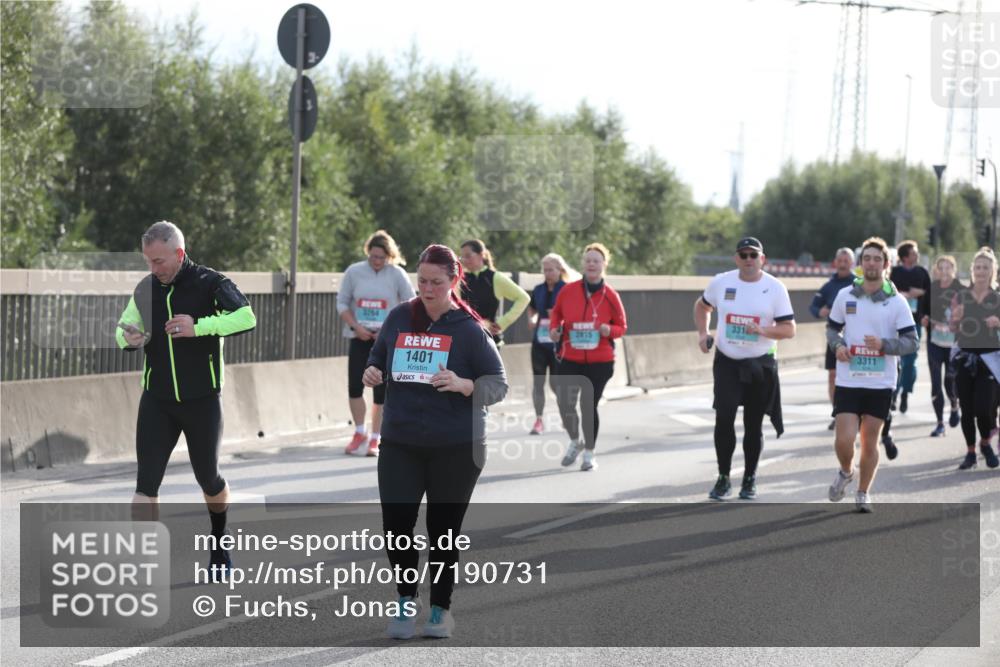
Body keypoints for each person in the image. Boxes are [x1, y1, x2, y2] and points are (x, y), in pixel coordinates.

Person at [363, 244, 508, 639]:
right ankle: (406, 602)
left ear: (454, 281)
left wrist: (464, 385)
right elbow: (377, 357)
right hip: (400, 441)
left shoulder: (469, 329)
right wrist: (373, 372)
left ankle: (440, 609)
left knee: (441, 530)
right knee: (396, 525)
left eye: (436, 282)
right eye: (421, 281)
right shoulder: (398, 318)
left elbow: (498, 384)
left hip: (457, 446)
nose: (427, 289)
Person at [116, 221, 256, 572]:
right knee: (145, 484)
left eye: (159, 261)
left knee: (209, 478)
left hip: (202, 401)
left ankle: (220, 542)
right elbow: (125, 328)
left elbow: (246, 317)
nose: (153, 269)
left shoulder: (211, 283)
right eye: (148, 261)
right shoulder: (145, 289)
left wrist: (201, 326)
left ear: (179, 254)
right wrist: (128, 339)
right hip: (157, 401)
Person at [694, 237, 795, 500]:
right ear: (736, 258)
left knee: (753, 424)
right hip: (727, 360)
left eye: (753, 255)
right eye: (743, 254)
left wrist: (763, 330)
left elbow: (789, 329)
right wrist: (703, 333)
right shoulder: (721, 282)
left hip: (759, 363)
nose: (748, 259)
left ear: (763, 259)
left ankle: (749, 478)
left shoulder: (775, 288)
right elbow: (702, 306)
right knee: (724, 418)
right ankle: (723, 477)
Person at [826, 237, 917, 513]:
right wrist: (838, 346)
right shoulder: (846, 296)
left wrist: (885, 345)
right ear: (860, 263)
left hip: (880, 382)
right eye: (867, 258)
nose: (872, 263)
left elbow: (912, 342)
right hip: (849, 379)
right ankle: (845, 471)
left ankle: (863, 492)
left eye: (877, 259)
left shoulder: (896, 301)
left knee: (869, 440)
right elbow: (832, 330)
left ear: (886, 264)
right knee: (844, 439)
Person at [548, 243, 628, 472]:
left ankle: (590, 454)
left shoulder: (611, 295)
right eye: (588, 260)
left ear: (604, 265)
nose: (592, 264)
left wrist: (608, 330)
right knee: (565, 404)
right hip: (570, 357)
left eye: (596, 261)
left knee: (588, 405)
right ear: (583, 264)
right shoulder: (568, 291)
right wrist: (555, 330)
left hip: (600, 361)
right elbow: (557, 316)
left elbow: (622, 327)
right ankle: (575, 440)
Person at [336, 230, 415, 457]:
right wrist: (356, 327)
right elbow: (342, 303)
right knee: (354, 386)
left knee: (381, 390)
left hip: (385, 341)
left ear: (389, 256)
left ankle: (375, 437)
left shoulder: (397, 274)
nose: (376, 261)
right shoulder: (354, 272)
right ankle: (359, 431)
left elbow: (410, 303)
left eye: (381, 257)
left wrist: (391, 329)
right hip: (359, 336)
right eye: (372, 257)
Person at [950, 247, 1000, 470]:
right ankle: (970, 452)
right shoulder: (961, 296)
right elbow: (953, 327)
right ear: (972, 270)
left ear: (992, 271)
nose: (981, 271)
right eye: (978, 267)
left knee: (984, 408)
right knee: (967, 409)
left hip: (989, 359)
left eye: (985, 267)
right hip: (965, 356)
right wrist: (956, 319)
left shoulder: (997, 297)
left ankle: (985, 443)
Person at [526, 253, 579, 435]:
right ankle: (539, 420)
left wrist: (559, 315)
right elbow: (532, 307)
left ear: (560, 270)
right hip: (539, 342)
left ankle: (566, 414)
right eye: (545, 270)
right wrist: (532, 318)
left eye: (551, 270)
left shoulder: (567, 289)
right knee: (538, 382)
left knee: (556, 384)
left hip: (558, 344)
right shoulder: (538, 289)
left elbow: (574, 313)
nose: (547, 273)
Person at [810, 248, 856, 430]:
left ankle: (854, 412)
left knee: (855, 377)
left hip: (855, 337)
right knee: (833, 376)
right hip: (834, 337)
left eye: (847, 260)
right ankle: (837, 413)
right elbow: (813, 307)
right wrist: (819, 311)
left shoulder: (858, 284)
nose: (843, 263)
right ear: (835, 263)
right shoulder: (829, 286)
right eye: (840, 260)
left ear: (852, 263)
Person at [459, 239, 530, 345]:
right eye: (462, 257)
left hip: (489, 341)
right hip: (465, 339)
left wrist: (502, 323)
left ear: (481, 255)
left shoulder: (495, 278)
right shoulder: (460, 279)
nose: (464, 260)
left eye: (468, 256)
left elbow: (524, 298)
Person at [923, 255, 964, 437]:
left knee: (950, 381)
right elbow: (921, 311)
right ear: (936, 270)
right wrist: (923, 318)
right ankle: (940, 423)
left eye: (948, 268)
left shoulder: (961, 290)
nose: (945, 271)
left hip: (953, 343)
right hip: (934, 342)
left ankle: (955, 405)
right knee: (935, 383)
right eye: (941, 268)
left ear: (953, 270)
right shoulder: (931, 289)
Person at [889, 240, 931, 414]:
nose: (917, 255)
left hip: (915, 321)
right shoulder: (895, 272)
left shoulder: (922, 272)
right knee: (896, 360)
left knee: (910, 361)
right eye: (913, 253)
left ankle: (905, 392)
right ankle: (894, 394)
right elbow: (886, 291)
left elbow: (930, 293)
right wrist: (902, 294)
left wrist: (920, 294)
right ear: (905, 257)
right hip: (895, 322)